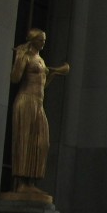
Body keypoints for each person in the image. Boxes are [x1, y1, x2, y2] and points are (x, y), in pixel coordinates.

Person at [9, 28, 69, 195]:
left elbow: (42, 86)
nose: (43, 42)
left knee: (41, 143)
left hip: (38, 103)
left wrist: (54, 74)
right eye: (40, 39)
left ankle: (31, 181)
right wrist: (19, 58)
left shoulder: (40, 60)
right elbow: (15, 78)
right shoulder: (26, 57)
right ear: (33, 40)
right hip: (26, 101)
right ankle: (21, 183)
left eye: (44, 39)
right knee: (24, 141)